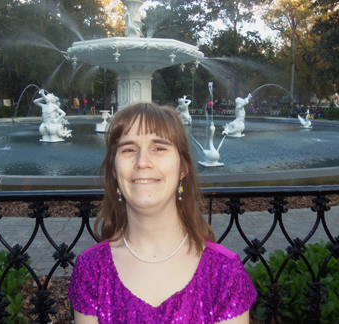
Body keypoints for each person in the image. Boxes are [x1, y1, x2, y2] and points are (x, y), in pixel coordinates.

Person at [68, 102, 257, 324]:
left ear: (183, 168)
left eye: (159, 148)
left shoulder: (224, 272)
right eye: (128, 149)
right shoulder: (92, 270)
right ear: (113, 170)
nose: (142, 162)